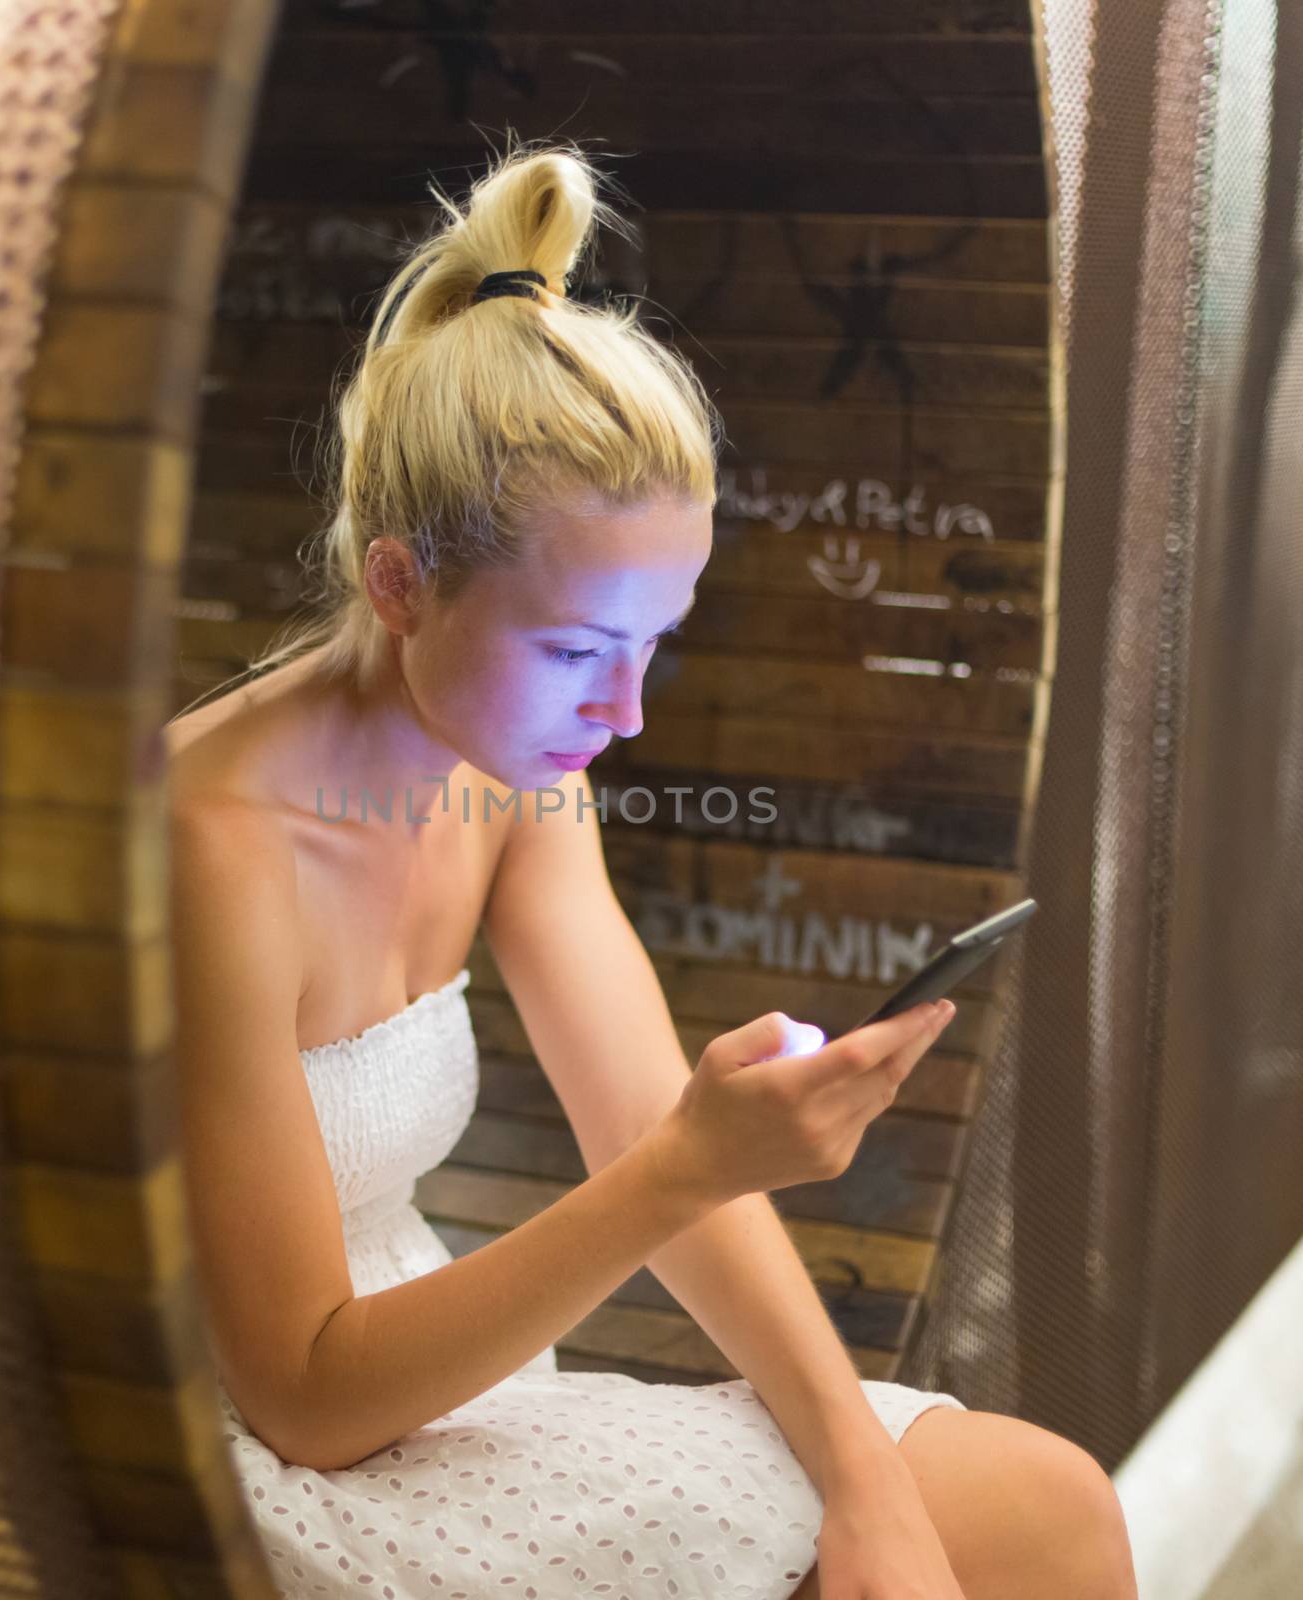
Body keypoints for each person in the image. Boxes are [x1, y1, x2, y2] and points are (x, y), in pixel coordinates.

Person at [163, 141, 1136, 1600]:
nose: (625, 714)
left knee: (1027, 1509)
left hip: (434, 1368)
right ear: (400, 583)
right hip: (228, 1447)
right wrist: (690, 1165)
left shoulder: (515, 771)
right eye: (574, 649)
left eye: (651, 643)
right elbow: (305, 1396)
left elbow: (640, 1122)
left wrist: (867, 1488)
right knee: (1030, 1525)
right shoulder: (204, 845)